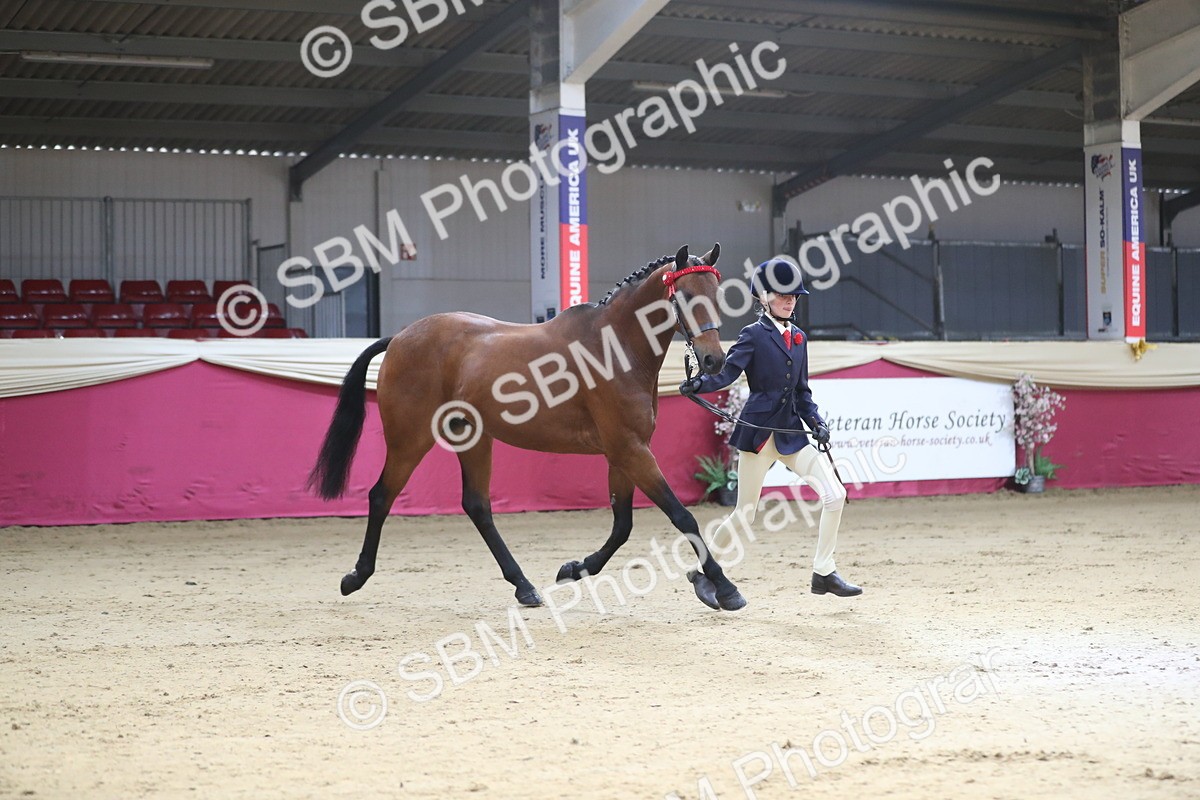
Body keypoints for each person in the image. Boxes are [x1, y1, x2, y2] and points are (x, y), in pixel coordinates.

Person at [679, 257, 861, 608]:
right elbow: (727, 374)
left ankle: (824, 571)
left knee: (835, 494)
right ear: (763, 297)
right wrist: (699, 383)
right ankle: (704, 573)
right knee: (745, 513)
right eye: (782, 295)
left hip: (791, 433)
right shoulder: (753, 335)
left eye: (794, 295)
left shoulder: (799, 338)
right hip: (759, 434)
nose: (790, 300)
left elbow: (803, 392)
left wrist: (817, 422)